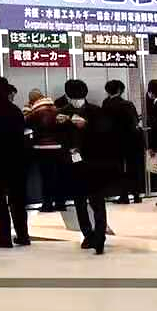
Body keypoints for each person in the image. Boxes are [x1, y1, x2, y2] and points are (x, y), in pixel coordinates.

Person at [65, 89, 119, 253]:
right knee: (87, 202)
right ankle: (90, 235)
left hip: (92, 163)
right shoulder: (65, 112)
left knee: (91, 201)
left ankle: (98, 236)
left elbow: (105, 134)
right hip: (79, 163)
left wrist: (86, 126)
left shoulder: (95, 112)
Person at [0, 76, 31, 247]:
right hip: (17, 161)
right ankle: (23, 235)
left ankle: (4, 237)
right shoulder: (15, 110)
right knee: (18, 200)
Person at [27, 87, 70, 212]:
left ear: (32, 100)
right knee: (59, 177)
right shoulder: (56, 109)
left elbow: (28, 125)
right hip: (58, 148)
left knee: (46, 177)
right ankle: (61, 203)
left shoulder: (35, 112)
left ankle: (47, 204)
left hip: (43, 148)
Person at [102, 80, 144, 204]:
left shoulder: (106, 104)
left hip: (114, 142)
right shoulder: (128, 104)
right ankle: (136, 195)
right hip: (131, 141)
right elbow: (135, 121)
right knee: (133, 168)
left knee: (119, 169)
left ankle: (123, 195)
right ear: (120, 90)